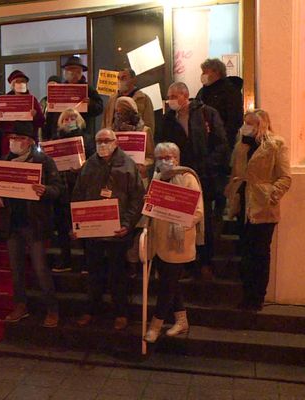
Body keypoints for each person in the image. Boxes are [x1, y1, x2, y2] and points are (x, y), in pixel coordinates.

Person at [71, 129, 145, 330]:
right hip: (92, 230)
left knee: (117, 275)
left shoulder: (128, 165)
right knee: (93, 273)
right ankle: (91, 309)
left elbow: (138, 198)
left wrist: (127, 224)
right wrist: (76, 223)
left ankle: (121, 312)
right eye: (99, 140)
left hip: (117, 230)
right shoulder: (89, 165)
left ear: (115, 142)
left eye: (106, 140)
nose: (102, 144)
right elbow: (78, 194)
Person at [157, 82, 229, 279]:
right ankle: (186, 263)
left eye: (173, 95)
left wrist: (207, 165)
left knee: (203, 220)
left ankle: (206, 261)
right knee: (181, 218)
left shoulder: (206, 113)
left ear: (184, 95)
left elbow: (221, 143)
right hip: (177, 178)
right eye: (168, 95)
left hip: (203, 176)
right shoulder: (168, 119)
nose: (170, 99)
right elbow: (161, 144)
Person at [226, 110, 291, 311]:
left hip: (263, 205)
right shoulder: (241, 146)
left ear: (261, 124)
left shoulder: (275, 144)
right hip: (243, 204)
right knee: (245, 253)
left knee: (260, 252)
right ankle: (247, 293)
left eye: (250, 123)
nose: (246, 126)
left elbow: (285, 177)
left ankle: (258, 296)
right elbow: (235, 173)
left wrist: (271, 194)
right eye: (245, 122)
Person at [0, 121, 62, 328]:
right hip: (13, 223)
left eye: (18, 139)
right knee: (16, 268)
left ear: (28, 141)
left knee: (40, 268)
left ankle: (52, 308)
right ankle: (20, 305)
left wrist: (44, 190)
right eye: (12, 139)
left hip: (34, 223)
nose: (13, 142)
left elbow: (58, 189)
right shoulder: (5, 161)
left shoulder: (44, 161)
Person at [144, 142, 204, 342]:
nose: (164, 161)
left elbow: (198, 211)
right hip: (159, 240)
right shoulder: (157, 178)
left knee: (167, 285)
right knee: (170, 283)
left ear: (177, 158)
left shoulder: (188, 178)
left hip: (178, 240)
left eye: (168, 156)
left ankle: (156, 324)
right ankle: (182, 320)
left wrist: (181, 223)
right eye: (160, 157)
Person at [112, 96, 155, 276]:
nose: (120, 113)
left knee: (139, 221)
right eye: (118, 110)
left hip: (139, 179)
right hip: (119, 182)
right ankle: (125, 263)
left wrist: (145, 165)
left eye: (124, 109)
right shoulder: (112, 132)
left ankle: (137, 261)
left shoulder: (145, 130)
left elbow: (152, 155)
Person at [49, 109, 90, 273]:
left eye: (73, 118)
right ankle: (65, 260)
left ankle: (87, 262)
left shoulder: (86, 139)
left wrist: (82, 167)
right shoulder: (55, 140)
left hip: (79, 187)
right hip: (61, 187)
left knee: (84, 225)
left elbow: (93, 159)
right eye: (66, 118)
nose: (69, 120)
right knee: (62, 225)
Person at [44, 56, 104, 143]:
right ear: (65, 72)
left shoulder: (88, 89)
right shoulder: (59, 90)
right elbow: (51, 114)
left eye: (77, 71)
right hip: (61, 134)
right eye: (70, 70)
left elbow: (100, 108)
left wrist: (90, 103)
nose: (74, 73)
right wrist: (48, 135)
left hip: (82, 133)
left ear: (81, 72)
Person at [0, 70, 45, 156]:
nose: (20, 84)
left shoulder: (32, 100)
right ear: (11, 85)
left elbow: (41, 122)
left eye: (22, 81)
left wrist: (35, 115)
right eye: (16, 82)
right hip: (9, 142)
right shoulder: (4, 101)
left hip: (28, 141)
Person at [196, 58, 244, 148]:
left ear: (216, 73)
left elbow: (234, 119)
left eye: (205, 72)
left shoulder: (230, 91)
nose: (202, 75)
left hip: (222, 141)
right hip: (204, 141)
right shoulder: (202, 91)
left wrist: (224, 139)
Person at [39, 75, 62, 142]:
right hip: (45, 136)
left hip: (58, 136)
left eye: (54, 86)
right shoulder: (44, 101)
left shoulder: (63, 102)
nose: (52, 88)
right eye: (49, 86)